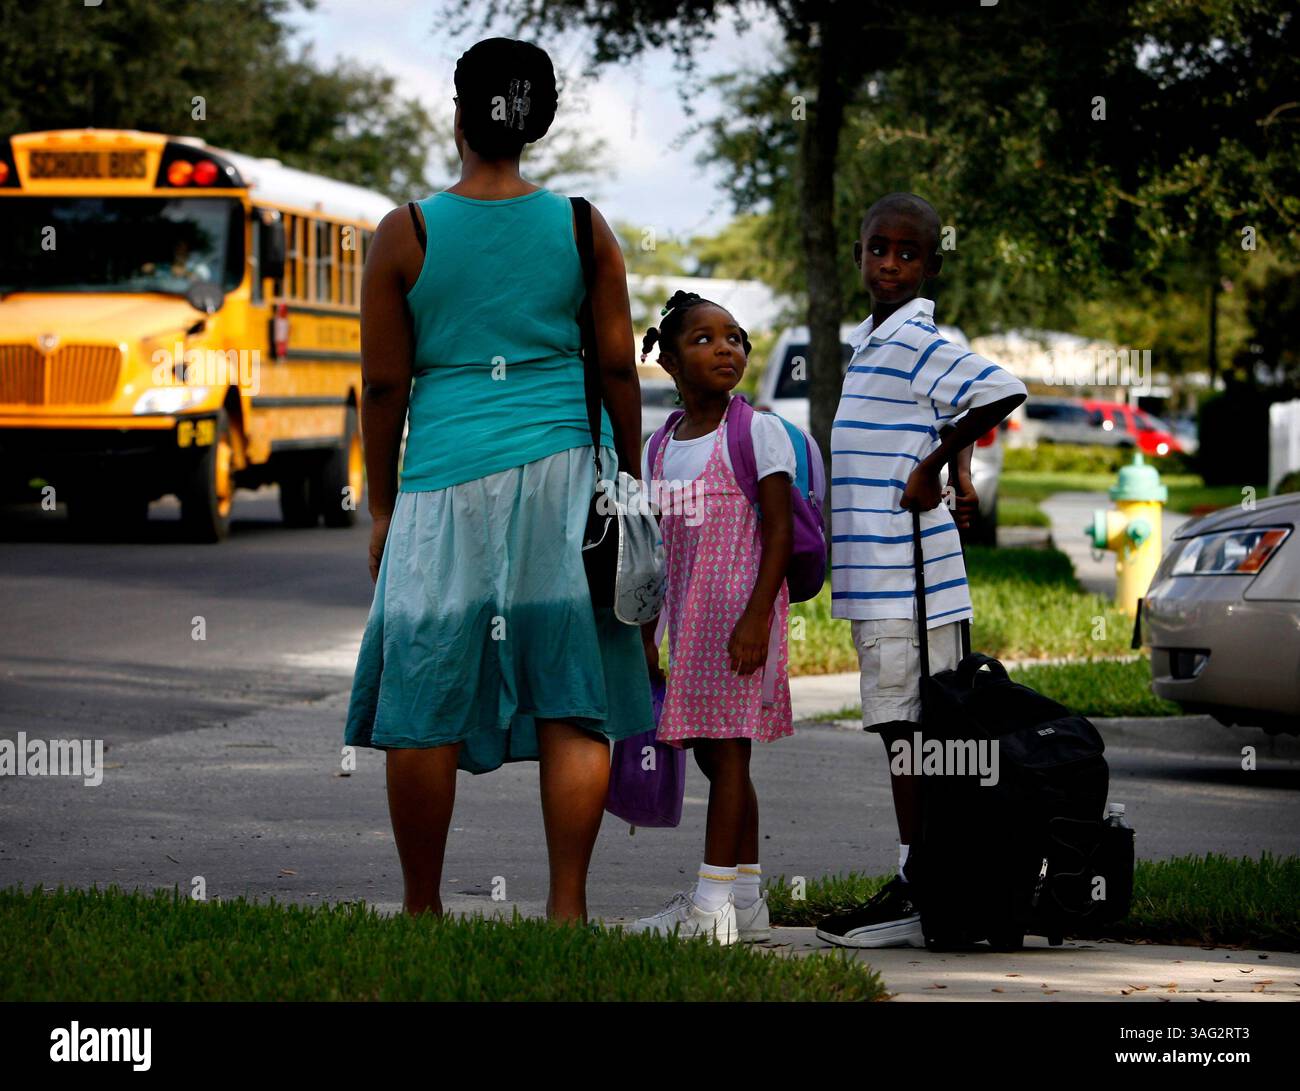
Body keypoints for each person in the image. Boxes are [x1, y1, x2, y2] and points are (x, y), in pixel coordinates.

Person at [343, 37, 654, 924]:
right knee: (572, 696)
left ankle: (421, 906)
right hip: (565, 479)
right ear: (540, 124)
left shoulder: (410, 231)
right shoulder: (583, 227)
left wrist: (382, 507)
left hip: (442, 486)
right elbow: (620, 371)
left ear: (459, 115)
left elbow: (383, 385)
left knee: (424, 694)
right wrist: (626, 481)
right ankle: (566, 908)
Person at [815, 193, 1026, 949]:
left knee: (910, 735)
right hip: (882, 577)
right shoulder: (873, 340)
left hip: (910, 580)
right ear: (860, 254)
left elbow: (1000, 389)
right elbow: (946, 409)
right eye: (879, 249)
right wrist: (961, 470)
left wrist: (932, 469)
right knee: (907, 733)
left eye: (908, 253)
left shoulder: (914, 337)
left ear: (932, 264)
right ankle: (928, 879)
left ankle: (918, 886)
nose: (891, 264)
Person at [627, 291, 795, 945]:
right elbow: (651, 549)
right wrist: (646, 636)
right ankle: (746, 900)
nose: (726, 348)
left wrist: (757, 619)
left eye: (735, 337)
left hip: (739, 625)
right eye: (703, 339)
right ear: (667, 360)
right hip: (688, 626)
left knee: (727, 758)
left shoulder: (756, 432)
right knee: (717, 759)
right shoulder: (659, 447)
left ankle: (708, 908)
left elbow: (778, 535)